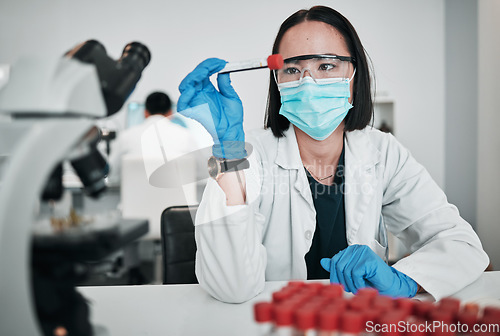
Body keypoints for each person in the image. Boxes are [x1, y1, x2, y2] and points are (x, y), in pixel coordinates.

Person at [177, 6, 489, 303]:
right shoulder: (252, 156)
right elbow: (232, 287)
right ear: (277, 79)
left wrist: (404, 280)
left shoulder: (384, 153)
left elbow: (462, 245)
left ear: (355, 73)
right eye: (292, 68)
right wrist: (229, 155)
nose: (308, 83)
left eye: (326, 66)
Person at [107, 91, 194, 184]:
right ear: (170, 113)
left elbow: (111, 174)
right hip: (178, 197)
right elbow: (201, 172)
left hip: (135, 197)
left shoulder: (126, 136)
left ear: (145, 113)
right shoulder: (185, 135)